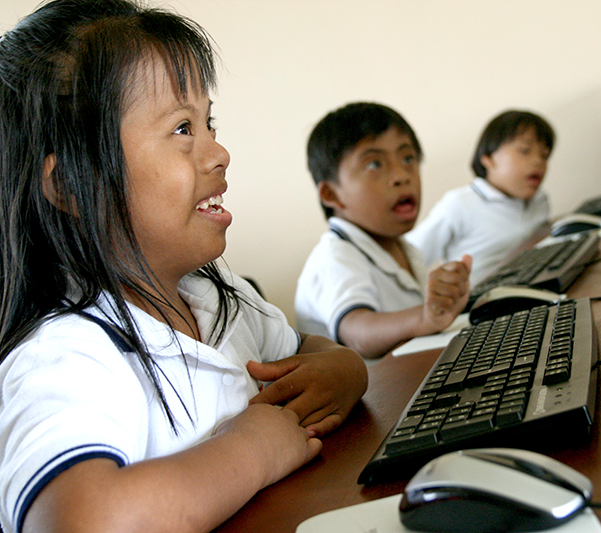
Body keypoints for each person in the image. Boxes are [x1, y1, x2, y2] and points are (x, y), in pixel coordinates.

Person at [0, 1, 368, 532]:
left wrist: (344, 368)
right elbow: (80, 520)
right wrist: (252, 450)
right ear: (73, 186)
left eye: (208, 121)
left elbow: (303, 351)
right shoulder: (66, 354)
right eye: (181, 128)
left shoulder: (216, 296)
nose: (219, 152)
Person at [295, 102, 472, 360]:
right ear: (332, 194)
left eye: (408, 158)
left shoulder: (403, 247)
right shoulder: (335, 257)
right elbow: (358, 333)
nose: (401, 175)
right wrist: (424, 317)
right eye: (374, 164)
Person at [406, 110, 555, 285]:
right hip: (477, 303)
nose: (538, 161)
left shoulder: (540, 200)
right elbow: (410, 259)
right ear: (488, 158)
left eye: (544, 155)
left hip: (529, 287)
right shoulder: (460, 204)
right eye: (525, 150)